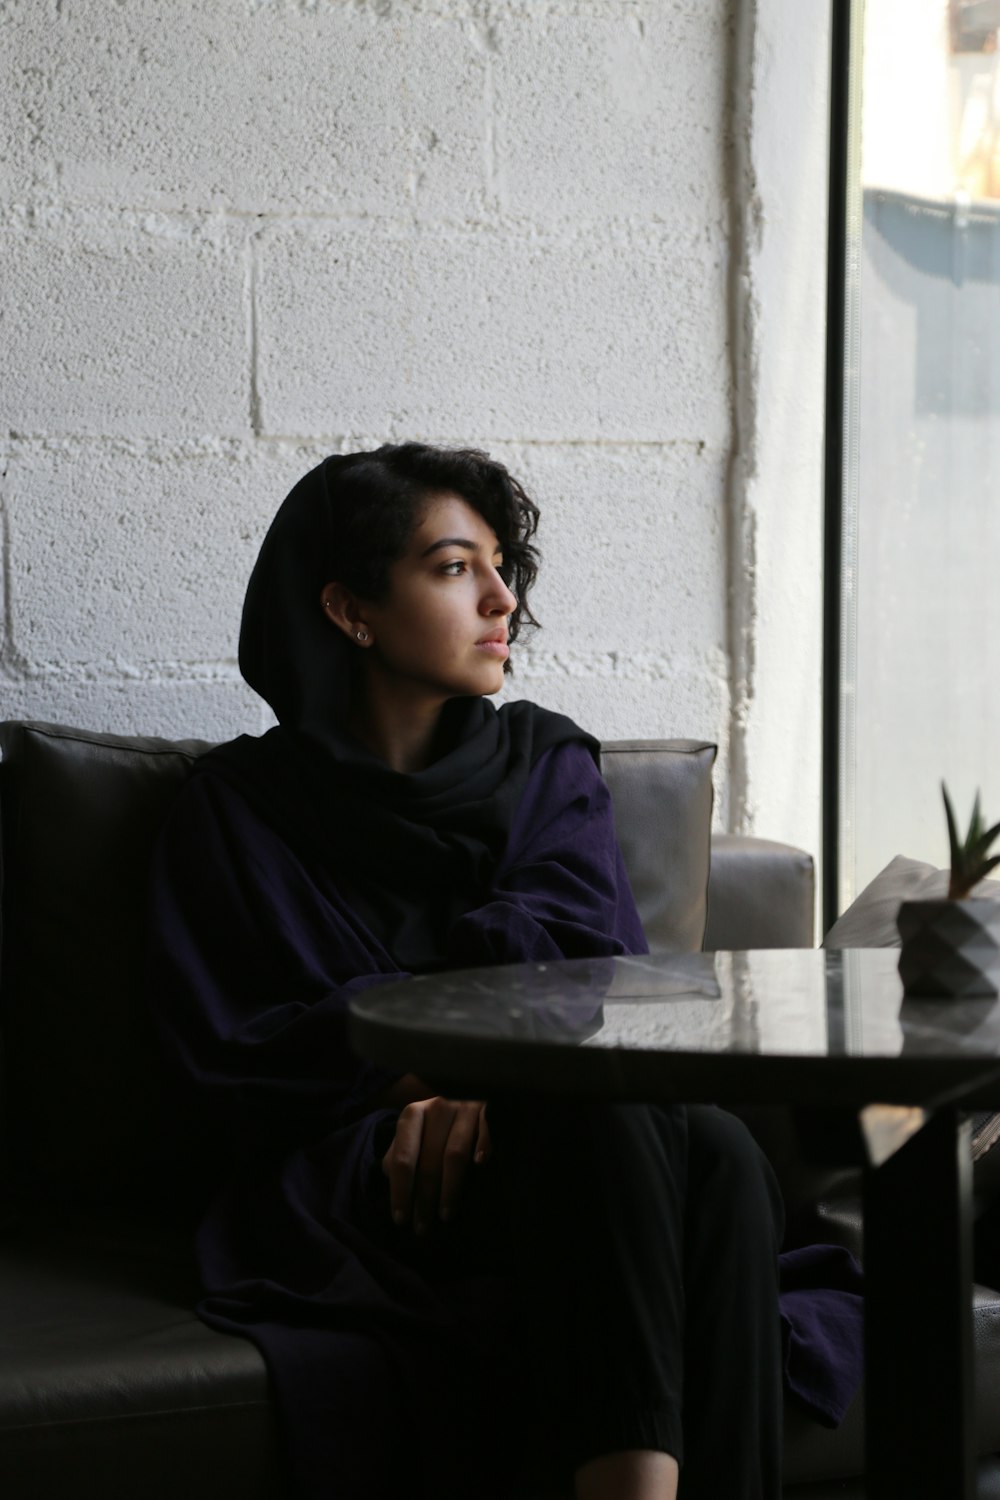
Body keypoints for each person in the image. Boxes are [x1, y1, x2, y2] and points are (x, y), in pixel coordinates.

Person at [146, 444, 848, 1500]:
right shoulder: (234, 807)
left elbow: (589, 978)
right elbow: (235, 1050)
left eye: (500, 566)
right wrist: (428, 1075)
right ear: (349, 609)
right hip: (369, 1168)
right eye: (451, 568)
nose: (500, 598)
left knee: (710, 1148)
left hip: (558, 1114)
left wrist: (489, 1077)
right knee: (669, 1141)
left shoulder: (547, 762)